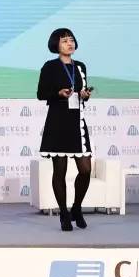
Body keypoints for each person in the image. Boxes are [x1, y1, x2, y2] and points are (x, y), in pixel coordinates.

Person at [37, 28, 93, 231]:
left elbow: (81, 92)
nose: (69, 44)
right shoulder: (50, 66)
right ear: (56, 45)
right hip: (58, 122)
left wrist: (84, 95)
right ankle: (63, 213)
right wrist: (58, 93)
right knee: (59, 171)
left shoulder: (80, 66)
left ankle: (76, 208)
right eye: (64, 41)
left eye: (71, 40)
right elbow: (41, 93)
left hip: (77, 122)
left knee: (85, 169)